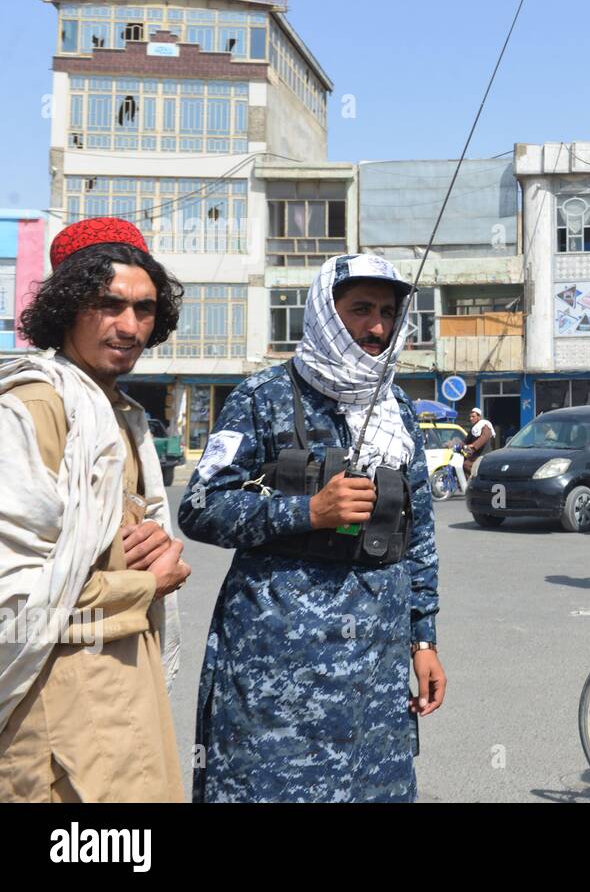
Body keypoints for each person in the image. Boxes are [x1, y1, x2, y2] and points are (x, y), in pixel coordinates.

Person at [178, 253, 446, 802]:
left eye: (388, 312)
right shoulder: (263, 396)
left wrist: (424, 639)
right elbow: (200, 507)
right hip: (275, 668)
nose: (377, 327)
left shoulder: (397, 405)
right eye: (361, 309)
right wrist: (305, 513)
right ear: (326, 312)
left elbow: (419, 535)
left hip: (376, 665)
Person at [0, 217, 190, 802]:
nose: (129, 325)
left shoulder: (120, 416)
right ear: (65, 308)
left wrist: (157, 551)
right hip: (57, 716)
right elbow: (14, 596)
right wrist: (142, 584)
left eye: (144, 309)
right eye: (109, 305)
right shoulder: (33, 410)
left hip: (127, 700)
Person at [465, 407, 496, 477]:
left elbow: (484, 438)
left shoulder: (485, 426)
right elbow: (467, 439)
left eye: (473, 416)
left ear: (479, 417)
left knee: (466, 464)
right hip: (475, 454)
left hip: (483, 455)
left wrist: (473, 445)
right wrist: (460, 444)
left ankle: (477, 479)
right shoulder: (474, 428)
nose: (471, 418)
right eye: (470, 417)